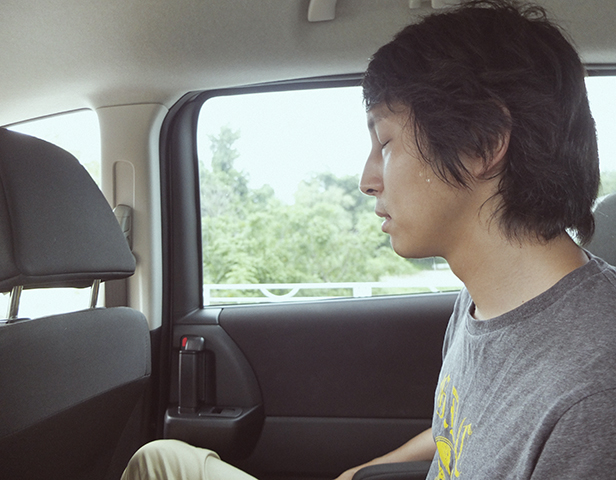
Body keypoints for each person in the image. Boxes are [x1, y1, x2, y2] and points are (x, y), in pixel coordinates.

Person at [122, 0, 616, 478]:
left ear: (482, 144)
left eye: (385, 143)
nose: (367, 180)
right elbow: (458, 434)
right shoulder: (482, 300)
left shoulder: (593, 397)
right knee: (161, 460)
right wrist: (363, 471)